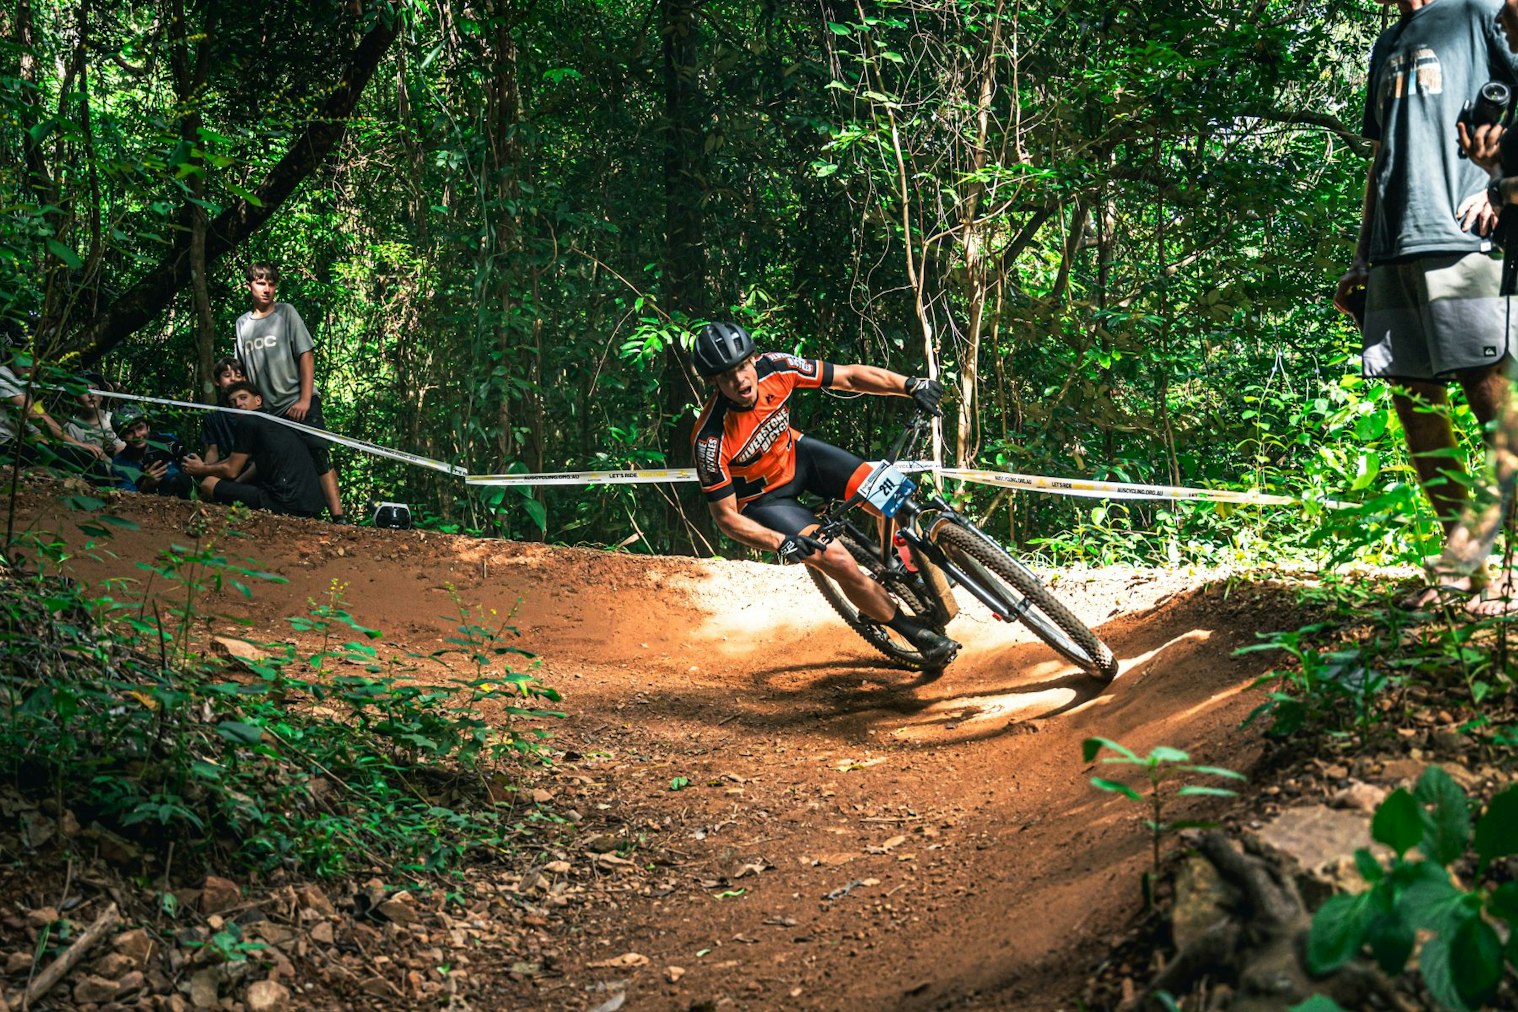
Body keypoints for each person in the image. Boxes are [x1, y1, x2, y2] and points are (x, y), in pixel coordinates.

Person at [1334, 0, 1518, 616]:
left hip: (1462, 239)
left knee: (1495, 402)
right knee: (1414, 404)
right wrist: (1361, 254)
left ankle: (1513, 570)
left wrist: (1504, 187)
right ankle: (1469, 566)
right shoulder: (1391, 39)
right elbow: (1382, 154)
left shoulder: (1484, 13)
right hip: (1394, 247)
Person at [688, 322, 959, 665]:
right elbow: (725, 517)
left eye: (742, 366)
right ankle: (915, 634)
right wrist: (778, 543)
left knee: (896, 500)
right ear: (714, 382)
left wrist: (910, 385)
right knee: (839, 560)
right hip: (766, 500)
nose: (740, 380)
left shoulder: (777, 367)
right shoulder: (710, 438)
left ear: (754, 359)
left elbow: (848, 377)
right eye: (726, 376)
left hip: (801, 458)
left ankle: (901, 567)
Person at [232, 262, 348, 522]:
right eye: (261, 283)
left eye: (272, 284)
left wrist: (305, 399)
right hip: (267, 412)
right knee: (271, 460)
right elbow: (243, 373)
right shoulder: (242, 324)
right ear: (249, 285)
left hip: (297, 402)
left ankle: (338, 517)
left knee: (318, 453)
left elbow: (305, 354)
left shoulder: (286, 313)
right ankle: (282, 512)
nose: (267, 289)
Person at [181, 381, 325, 518]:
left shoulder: (248, 421)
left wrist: (200, 469)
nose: (238, 404)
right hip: (311, 505)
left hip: (284, 503)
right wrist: (234, 486)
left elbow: (231, 470)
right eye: (233, 402)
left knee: (208, 483)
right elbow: (256, 465)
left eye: (243, 398)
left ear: (258, 400)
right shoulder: (275, 421)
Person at [0, 348, 113, 479]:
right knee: (82, 459)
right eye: (23, 357)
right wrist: (77, 444)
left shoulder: (22, 384)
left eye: (35, 358)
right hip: (5, 446)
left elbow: (32, 423)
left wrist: (48, 441)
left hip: (18, 444)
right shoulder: (3, 375)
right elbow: (32, 413)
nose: (29, 364)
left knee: (83, 458)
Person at [111, 410, 193, 498]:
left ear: (148, 427)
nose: (137, 435)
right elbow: (127, 498)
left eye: (140, 428)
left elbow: (190, 463)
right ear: (121, 437)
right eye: (129, 432)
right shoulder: (120, 464)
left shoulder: (167, 441)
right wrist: (146, 484)